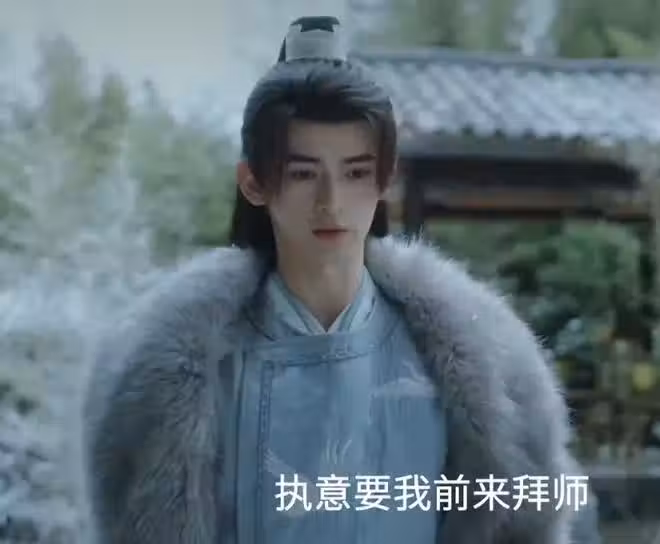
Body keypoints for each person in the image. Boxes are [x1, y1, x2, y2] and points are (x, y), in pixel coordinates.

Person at [82, 15, 602, 544]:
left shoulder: (477, 363)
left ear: (384, 180)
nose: (331, 201)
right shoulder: (185, 374)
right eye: (303, 173)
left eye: (355, 173)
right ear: (254, 183)